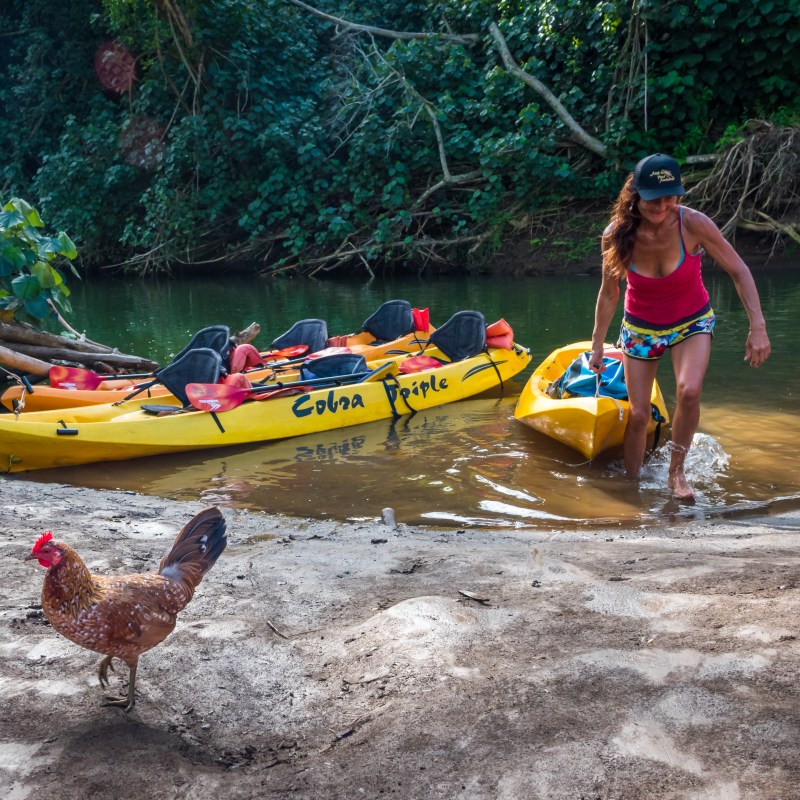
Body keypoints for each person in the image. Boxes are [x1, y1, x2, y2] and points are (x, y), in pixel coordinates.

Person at [589, 153, 771, 501]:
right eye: (654, 199)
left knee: (689, 390)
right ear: (636, 195)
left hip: (692, 322)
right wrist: (598, 344)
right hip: (641, 328)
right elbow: (609, 293)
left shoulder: (694, 224)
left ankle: (677, 474)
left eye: (670, 197)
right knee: (639, 414)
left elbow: (739, 270)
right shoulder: (616, 235)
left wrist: (758, 327)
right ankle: (631, 487)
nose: (662, 206)